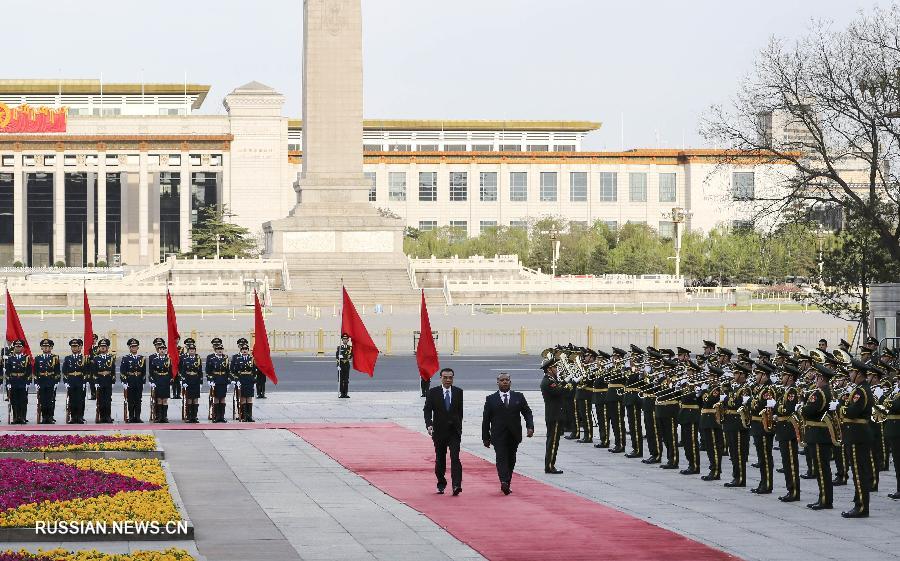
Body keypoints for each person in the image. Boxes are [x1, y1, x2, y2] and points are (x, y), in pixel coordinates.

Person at [482, 372, 534, 495]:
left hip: (514, 434)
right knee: (501, 458)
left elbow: (527, 412)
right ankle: (504, 481)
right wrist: (485, 437)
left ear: (510, 382)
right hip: (498, 435)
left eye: (507, 380)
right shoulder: (491, 399)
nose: (505, 382)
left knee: (511, 459)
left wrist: (530, 426)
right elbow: (486, 419)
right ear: (497, 382)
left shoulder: (519, 397)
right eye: (502, 380)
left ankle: (507, 481)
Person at [840, 359, 874, 518]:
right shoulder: (860, 389)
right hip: (856, 434)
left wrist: (841, 407)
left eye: (852, 372)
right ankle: (858, 502)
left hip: (857, 435)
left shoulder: (861, 391)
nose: (849, 374)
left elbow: (852, 412)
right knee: (857, 471)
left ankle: (861, 506)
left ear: (859, 373)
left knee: (859, 472)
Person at [423, 368, 463, 495]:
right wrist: (429, 424)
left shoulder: (458, 392)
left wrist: (459, 426)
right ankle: (441, 482)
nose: (448, 380)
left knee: (455, 458)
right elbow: (427, 410)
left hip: (454, 432)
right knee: (440, 459)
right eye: (445, 377)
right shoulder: (433, 392)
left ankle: (456, 485)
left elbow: (459, 411)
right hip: (439, 431)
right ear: (440, 378)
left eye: (450, 377)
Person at [803, 363, 835, 510]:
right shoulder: (828, 392)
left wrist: (800, 407)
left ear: (821, 378)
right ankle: (824, 498)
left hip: (817, 435)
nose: (815, 379)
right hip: (822, 435)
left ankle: (825, 500)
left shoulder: (819, 393)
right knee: (824, 468)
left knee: (822, 469)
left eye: (817, 377)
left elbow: (809, 411)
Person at [775, 364, 802, 502]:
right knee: (786, 462)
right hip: (783, 429)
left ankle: (794, 491)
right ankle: (790, 489)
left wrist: (776, 407)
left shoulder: (792, 392)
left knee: (791, 462)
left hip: (788, 429)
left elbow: (788, 409)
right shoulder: (785, 391)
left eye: (784, 375)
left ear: (790, 377)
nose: (782, 377)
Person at [540, 357, 565, 474]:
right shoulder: (549, 381)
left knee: (553, 441)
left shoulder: (551, 380)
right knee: (553, 441)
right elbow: (559, 392)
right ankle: (550, 466)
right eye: (555, 367)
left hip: (554, 414)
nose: (557, 369)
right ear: (550, 369)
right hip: (554, 415)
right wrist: (567, 383)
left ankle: (550, 464)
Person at [62, 338, 89, 424]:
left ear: (79, 347)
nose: (74, 348)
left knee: (80, 400)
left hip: (80, 380)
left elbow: (87, 371)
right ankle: (73, 417)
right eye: (72, 347)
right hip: (71, 381)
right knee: (72, 400)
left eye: (76, 346)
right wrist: (66, 381)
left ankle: (80, 417)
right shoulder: (67, 358)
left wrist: (85, 382)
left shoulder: (84, 358)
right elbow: (64, 371)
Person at [34, 339, 60, 424]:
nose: (45, 348)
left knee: (51, 400)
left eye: (47, 346)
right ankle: (44, 417)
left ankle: (50, 417)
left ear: (51, 347)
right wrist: (36, 383)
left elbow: (57, 371)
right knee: (42, 401)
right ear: (41, 347)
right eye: (44, 346)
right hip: (41, 381)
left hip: (51, 381)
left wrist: (56, 381)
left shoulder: (55, 358)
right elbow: (35, 372)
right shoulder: (38, 358)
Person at [120, 339, 146, 423]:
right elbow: (122, 371)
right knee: (130, 400)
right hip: (130, 380)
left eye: (135, 346)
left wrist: (143, 381)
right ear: (129, 348)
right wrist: (124, 381)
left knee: (138, 399)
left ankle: (137, 417)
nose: (134, 348)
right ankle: (131, 416)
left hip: (138, 380)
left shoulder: (142, 358)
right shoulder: (126, 358)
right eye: (132, 347)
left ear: (138, 347)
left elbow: (144, 372)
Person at [5, 340, 31, 424]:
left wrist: (28, 382)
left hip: (23, 381)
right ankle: (15, 417)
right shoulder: (10, 358)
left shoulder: (26, 358)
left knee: (23, 401)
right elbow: (7, 372)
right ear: (14, 347)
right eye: (16, 346)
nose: (18, 348)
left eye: (20, 347)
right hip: (13, 382)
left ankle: (23, 417)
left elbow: (29, 371)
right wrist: (8, 383)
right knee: (14, 401)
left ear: (22, 348)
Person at [91, 338, 116, 423]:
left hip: (108, 380)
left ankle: (108, 416)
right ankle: (102, 417)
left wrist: (113, 381)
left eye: (104, 346)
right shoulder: (96, 358)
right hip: (100, 380)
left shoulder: (111, 358)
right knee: (100, 400)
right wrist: (96, 382)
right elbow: (94, 372)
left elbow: (113, 371)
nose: (102, 348)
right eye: (101, 346)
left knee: (108, 400)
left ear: (107, 347)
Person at [231, 342, 257, 421]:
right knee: (242, 398)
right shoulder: (237, 359)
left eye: (246, 349)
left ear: (248, 350)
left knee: (249, 398)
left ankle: (249, 416)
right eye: (243, 349)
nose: (244, 351)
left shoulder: (251, 358)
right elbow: (233, 371)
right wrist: (236, 380)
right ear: (241, 350)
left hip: (249, 380)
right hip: (241, 379)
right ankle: (244, 416)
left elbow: (254, 370)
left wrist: (254, 381)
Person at [206, 338, 230, 423]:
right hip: (215, 379)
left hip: (223, 379)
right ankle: (216, 416)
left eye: (221, 349)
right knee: (216, 398)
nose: (220, 351)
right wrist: (210, 380)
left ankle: (221, 416)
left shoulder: (225, 358)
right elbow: (208, 370)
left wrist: (228, 381)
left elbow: (228, 370)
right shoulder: (211, 357)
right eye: (218, 349)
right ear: (215, 350)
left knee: (223, 398)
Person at [179, 342, 203, 423]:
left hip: (195, 380)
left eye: (193, 350)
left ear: (195, 351)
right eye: (190, 350)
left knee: (195, 399)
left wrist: (201, 382)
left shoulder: (198, 359)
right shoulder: (185, 359)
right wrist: (184, 381)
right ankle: (189, 416)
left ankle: (194, 416)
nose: (192, 351)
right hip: (188, 380)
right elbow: (183, 371)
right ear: (188, 351)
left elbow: (200, 371)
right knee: (189, 399)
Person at [149, 342, 172, 423]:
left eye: (163, 349)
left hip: (165, 380)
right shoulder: (155, 360)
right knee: (159, 399)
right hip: (158, 380)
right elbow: (152, 372)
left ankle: (164, 417)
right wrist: (152, 381)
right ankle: (159, 417)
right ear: (158, 350)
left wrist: (170, 380)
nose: (162, 351)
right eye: (160, 349)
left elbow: (170, 372)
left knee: (165, 400)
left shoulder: (168, 360)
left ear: (165, 350)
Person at [336, 333, 352, 398]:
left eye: (346, 339)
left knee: (346, 379)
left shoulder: (350, 348)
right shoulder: (339, 347)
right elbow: (337, 357)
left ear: (348, 340)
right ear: (342, 340)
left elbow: (350, 356)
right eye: (344, 339)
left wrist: (342, 356)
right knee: (340, 379)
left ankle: (346, 393)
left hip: (346, 364)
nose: (345, 340)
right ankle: (341, 393)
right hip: (341, 364)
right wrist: (338, 365)